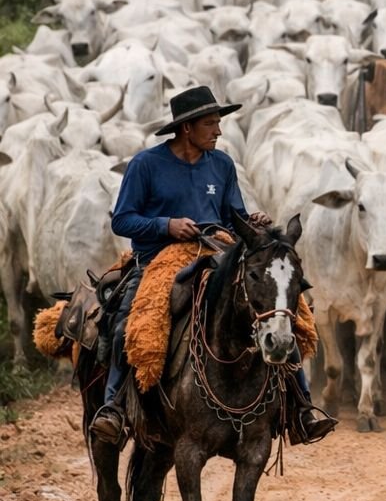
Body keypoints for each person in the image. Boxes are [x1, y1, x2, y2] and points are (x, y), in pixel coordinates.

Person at [88, 86, 337, 447]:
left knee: (287, 310)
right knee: (129, 320)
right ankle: (113, 407)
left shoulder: (221, 164)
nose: (218, 131)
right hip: (159, 260)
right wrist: (166, 225)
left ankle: (302, 408)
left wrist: (252, 221)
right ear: (187, 128)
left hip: (217, 252)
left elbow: (231, 216)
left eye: (218, 123)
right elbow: (122, 221)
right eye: (211, 124)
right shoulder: (146, 165)